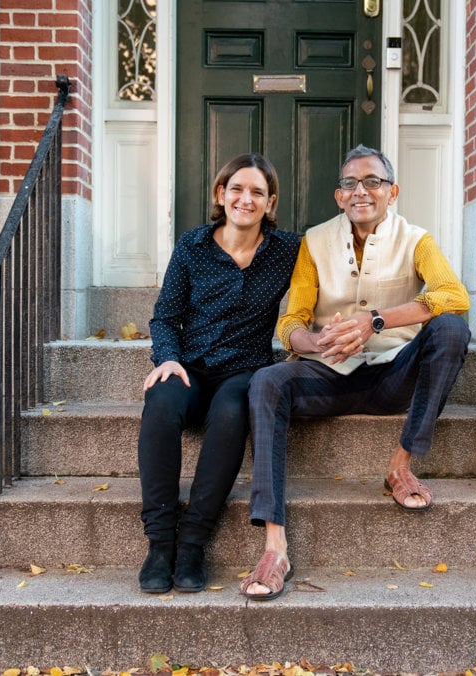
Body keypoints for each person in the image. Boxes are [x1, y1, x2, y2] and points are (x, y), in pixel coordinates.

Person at [239, 144, 471, 600]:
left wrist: (375, 321)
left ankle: (401, 465)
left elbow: (453, 294)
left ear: (393, 192)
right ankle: (274, 545)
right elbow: (292, 321)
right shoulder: (315, 241)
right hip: (327, 376)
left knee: (451, 329)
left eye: (372, 181)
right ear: (339, 196)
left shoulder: (416, 239)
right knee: (265, 381)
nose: (360, 190)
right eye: (350, 183)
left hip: (392, 375)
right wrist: (314, 341)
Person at [137, 153, 299, 594]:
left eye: (257, 193)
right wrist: (167, 357)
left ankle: (192, 543)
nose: (246, 199)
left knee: (232, 414)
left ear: (270, 203)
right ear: (220, 195)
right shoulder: (192, 245)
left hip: (244, 369)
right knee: (161, 400)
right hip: (189, 365)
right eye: (237, 189)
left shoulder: (288, 250)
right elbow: (165, 317)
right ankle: (159, 544)